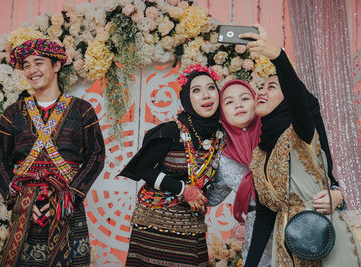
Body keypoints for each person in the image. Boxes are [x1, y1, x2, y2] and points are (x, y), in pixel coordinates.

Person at [240, 26, 361, 266]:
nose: (262, 91)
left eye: (272, 86)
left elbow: (298, 102)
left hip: (326, 242)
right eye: (261, 86)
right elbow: (265, 215)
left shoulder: (302, 132)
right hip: (287, 250)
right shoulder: (259, 154)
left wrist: (278, 57)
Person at [0, 38, 105, 267]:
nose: (32, 70)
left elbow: (96, 156)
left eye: (39, 62)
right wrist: (18, 199)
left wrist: (69, 195)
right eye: (26, 65)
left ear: (56, 66)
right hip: (26, 208)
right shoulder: (12, 113)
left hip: (68, 207)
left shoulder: (82, 110)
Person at [119, 64, 225, 267]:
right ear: (186, 98)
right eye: (196, 90)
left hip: (192, 224)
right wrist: (182, 189)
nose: (206, 95)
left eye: (211, 88)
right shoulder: (171, 131)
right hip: (155, 224)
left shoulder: (220, 136)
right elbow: (142, 168)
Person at [206, 79, 272, 266]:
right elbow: (211, 197)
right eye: (229, 102)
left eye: (245, 98)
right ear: (222, 114)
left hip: (291, 226)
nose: (238, 105)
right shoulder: (222, 157)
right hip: (257, 237)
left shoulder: (277, 138)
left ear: (256, 102)